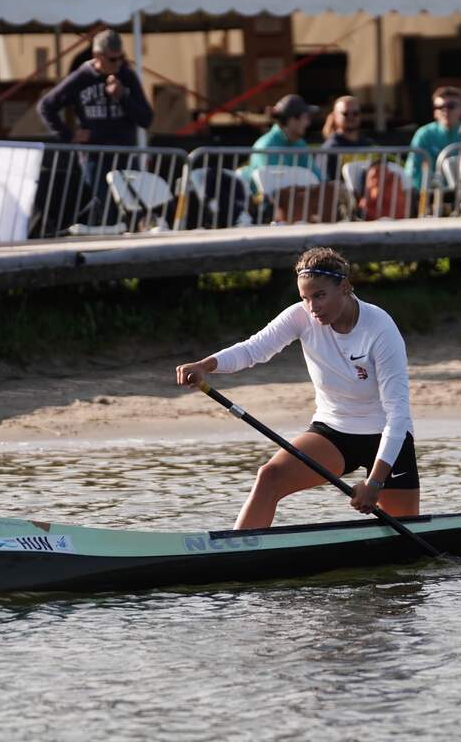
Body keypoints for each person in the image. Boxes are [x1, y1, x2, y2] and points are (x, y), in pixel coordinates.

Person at [175, 247, 419, 529]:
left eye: (319, 296)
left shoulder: (380, 330)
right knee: (270, 476)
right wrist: (205, 365)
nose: (312, 306)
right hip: (334, 431)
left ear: (345, 287)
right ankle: (240, 551)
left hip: (388, 438)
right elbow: (254, 349)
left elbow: (398, 415)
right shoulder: (300, 317)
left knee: (405, 539)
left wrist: (375, 482)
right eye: (305, 297)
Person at [37, 29, 154, 225]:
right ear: (97, 56)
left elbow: (146, 118)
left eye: (121, 58)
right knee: (105, 206)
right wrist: (69, 135)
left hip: (124, 154)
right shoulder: (81, 77)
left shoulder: (127, 76)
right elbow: (46, 106)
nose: (118, 64)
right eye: (112, 59)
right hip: (94, 157)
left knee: (132, 207)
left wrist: (123, 97)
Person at [245, 94, 338, 222]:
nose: (309, 123)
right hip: (268, 213)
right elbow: (273, 192)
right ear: (292, 120)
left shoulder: (300, 144)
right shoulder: (266, 146)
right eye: (306, 118)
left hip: (298, 207)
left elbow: (318, 179)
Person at [405, 86, 461, 194]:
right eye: (439, 106)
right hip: (430, 194)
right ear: (434, 111)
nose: (445, 110)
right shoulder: (424, 134)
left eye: (451, 106)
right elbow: (412, 168)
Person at [320, 95, 376, 182]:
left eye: (355, 113)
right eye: (345, 114)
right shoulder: (330, 148)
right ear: (335, 116)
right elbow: (327, 183)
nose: (351, 117)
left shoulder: (368, 144)